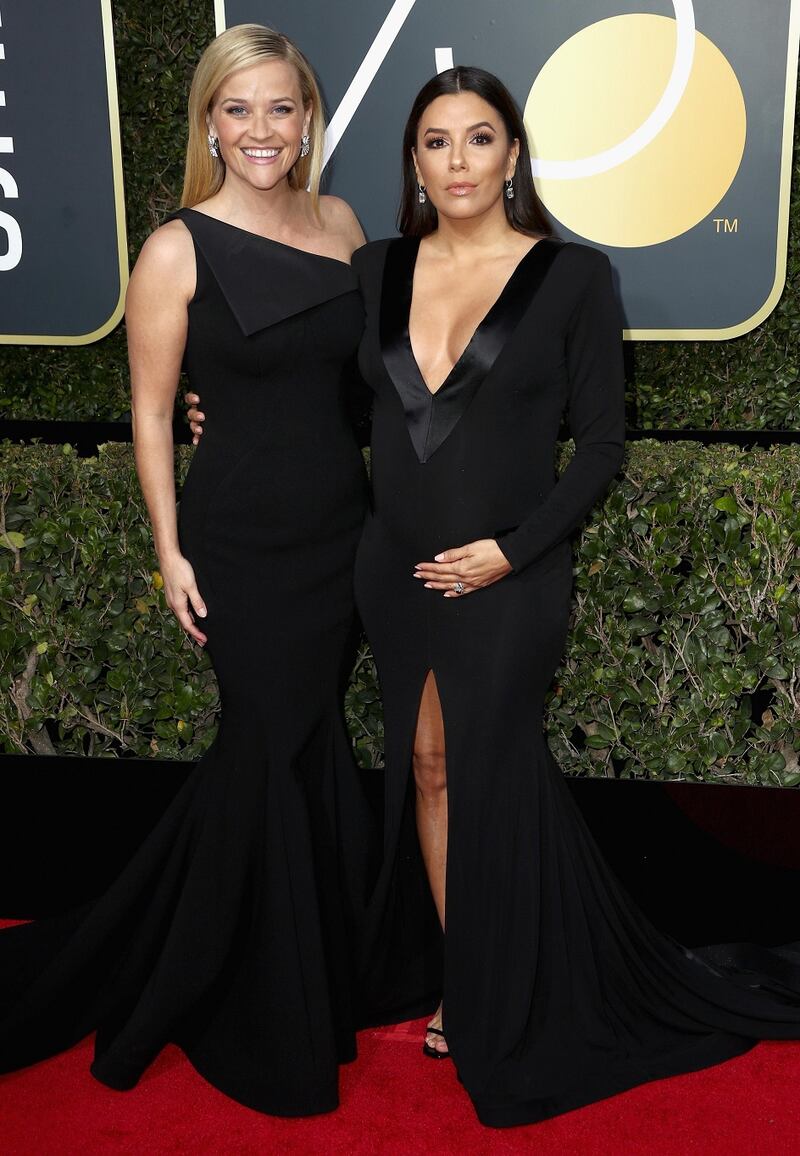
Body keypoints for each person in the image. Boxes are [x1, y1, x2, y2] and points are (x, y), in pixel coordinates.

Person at [191, 65, 800, 1131]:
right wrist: (213, 410)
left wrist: (512, 552)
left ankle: (513, 990)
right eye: (435, 142)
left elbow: (601, 446)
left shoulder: (572, 278)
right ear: (413, 162)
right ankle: (461, 980)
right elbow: (315, 392)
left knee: (487, 767)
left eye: (479, 139)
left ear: (512, 155)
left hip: (509, 574)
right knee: (423, 767)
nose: (458, 161)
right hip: (388, 567)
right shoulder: (372, 267)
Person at [0, 24, 377, 1117]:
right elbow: (154, 412)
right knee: (264, 743)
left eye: (279, 107)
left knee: (303, 747)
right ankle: (246, 997)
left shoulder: (342, 222)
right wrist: (170, 549)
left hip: (336, 526)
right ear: (209, 123)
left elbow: (352, 376)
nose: (261, 129)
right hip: (241, 538)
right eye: (238, 109)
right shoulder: (176, 247)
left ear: (307, 116)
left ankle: (306, 964)